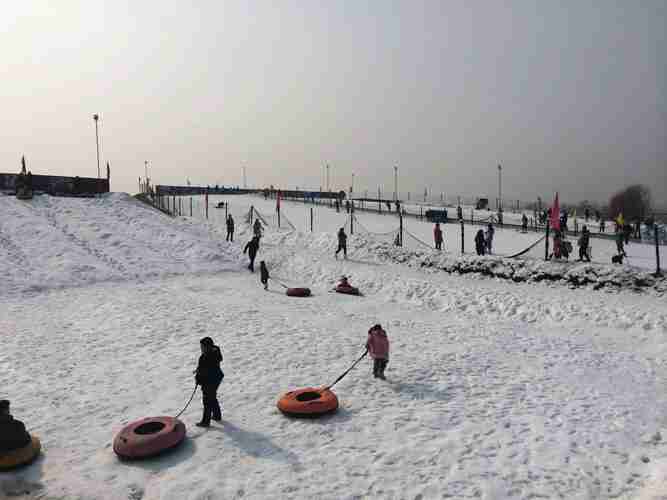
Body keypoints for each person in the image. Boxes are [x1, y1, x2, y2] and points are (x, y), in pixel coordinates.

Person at [194, 337, 224, 427]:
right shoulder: (215, 352)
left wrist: (198, 379)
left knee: (207, 400)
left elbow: (203, 372)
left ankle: (205, 422)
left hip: (209, 381)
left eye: (202, 347)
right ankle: (217, 416)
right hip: (217, 377)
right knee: (212, 397)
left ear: (207, 347)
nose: (201, 349)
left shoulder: (204, 357)